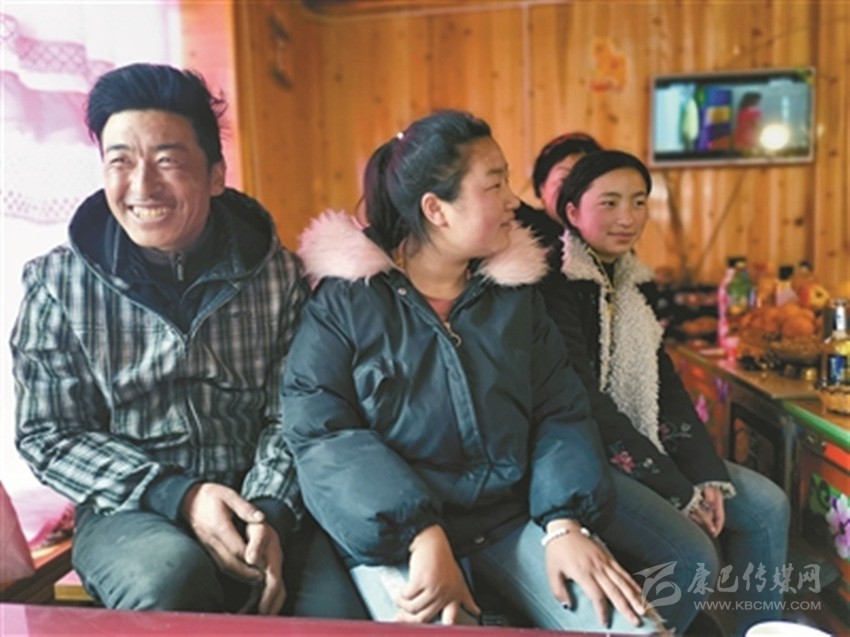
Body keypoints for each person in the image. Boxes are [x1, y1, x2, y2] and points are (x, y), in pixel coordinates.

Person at [280, 109, 663, 633]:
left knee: (635, 628)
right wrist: (420, 533)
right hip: (402, 536)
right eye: (495, 184)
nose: (514, 201)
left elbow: (561, 409)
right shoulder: (346, 303)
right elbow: (322, 434)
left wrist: (564, 521)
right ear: (436, 209)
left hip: (508, 519)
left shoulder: (515, 297)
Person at [10, 63, 366, 618]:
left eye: (167, 161)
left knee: (339, 618)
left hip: (262, 495)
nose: (142, 186)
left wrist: (267, 514)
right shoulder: (56, 284)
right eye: (120, 162)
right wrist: (182, 496)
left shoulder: (279, 276)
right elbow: (48, 433)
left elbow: (295, 413)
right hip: (130, 508)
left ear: (216, 174)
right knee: (171, 578)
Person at [532, 149, 790, 636]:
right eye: (609, 203)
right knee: (692, 556)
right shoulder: (553, 283)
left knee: (765, 507)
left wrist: (706, 475)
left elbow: (665, 386)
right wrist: (677, 488)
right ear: (572, 212)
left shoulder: (633, 282)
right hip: (582, 457)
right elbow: (583, 401)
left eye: (638, 202)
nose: (627, 218)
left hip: (641, 443)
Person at [515, 132, 602, 269]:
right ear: (542, 187)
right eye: (564, 180)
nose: (574, 189)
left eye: (586, 181)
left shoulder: (608, 238)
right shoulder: (516, 233)